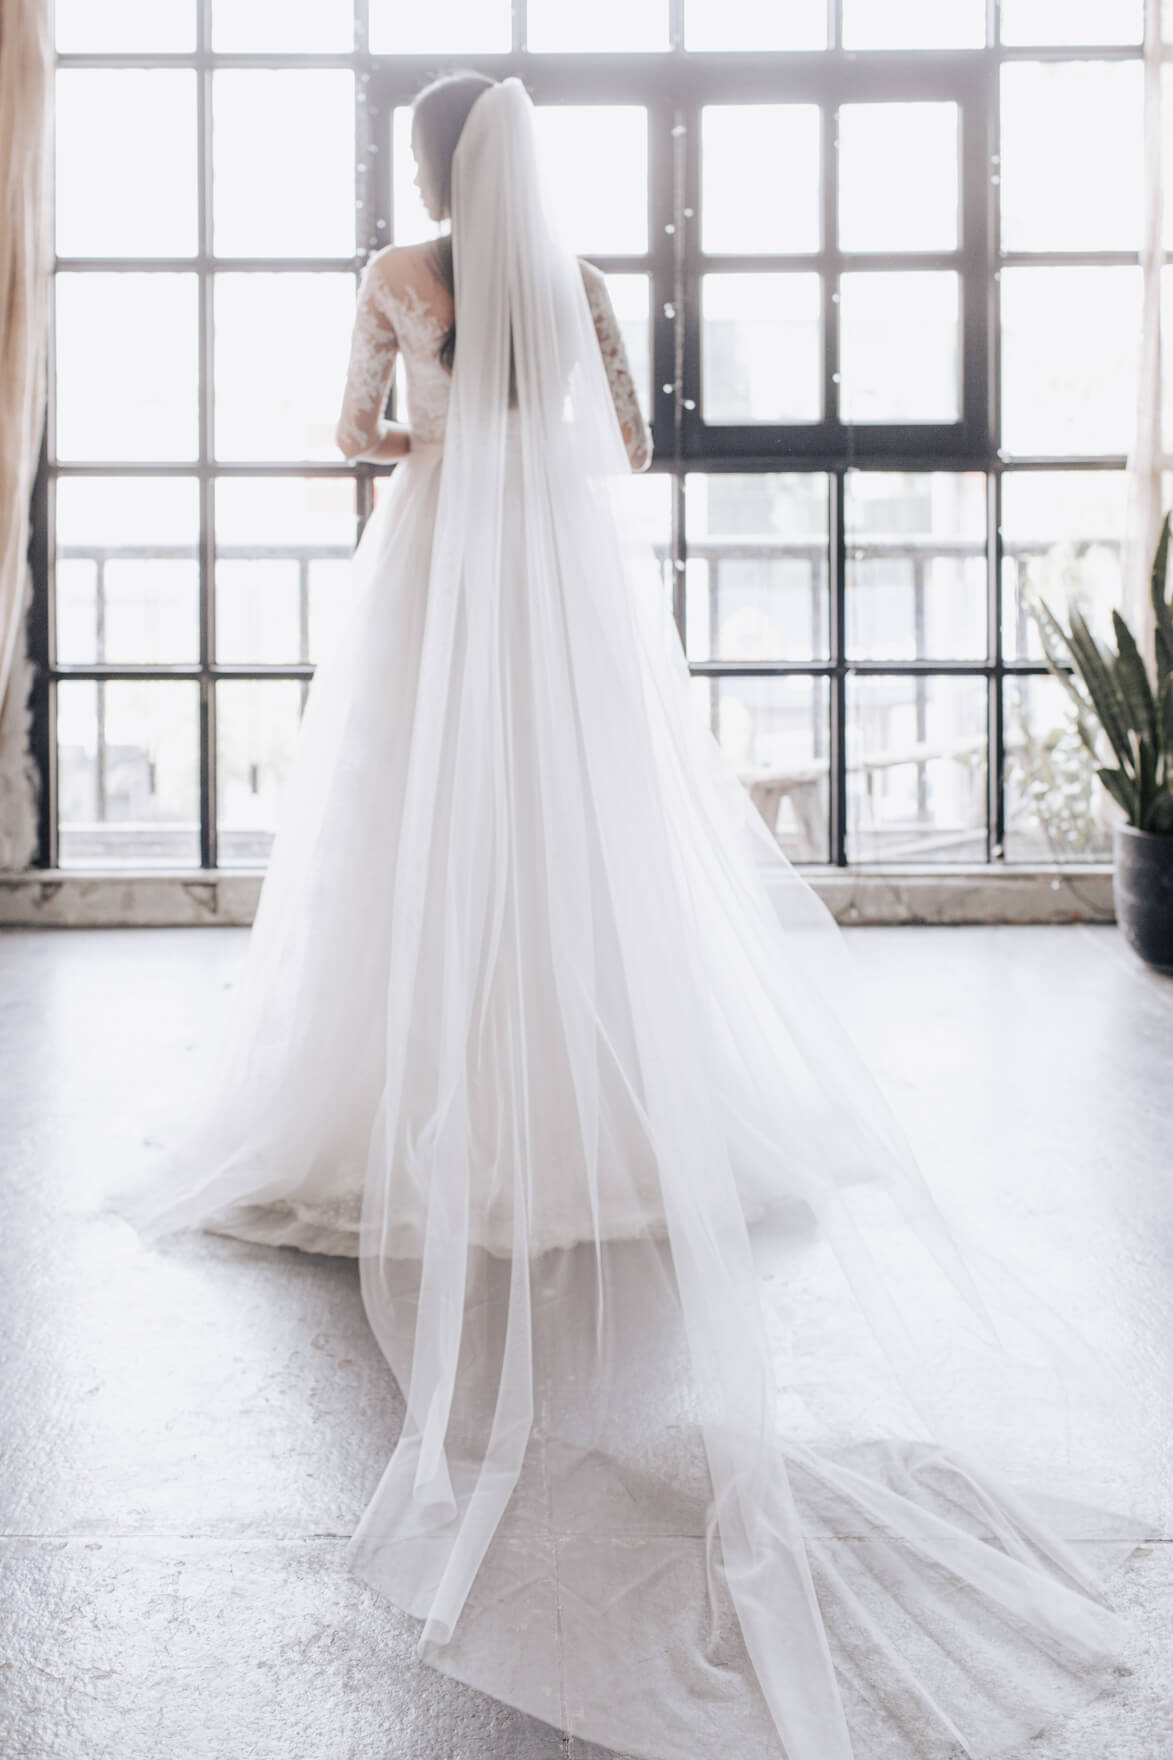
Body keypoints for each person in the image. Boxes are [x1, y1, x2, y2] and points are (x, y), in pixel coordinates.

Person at [105, 73, 1147, 1760]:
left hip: (439, 585)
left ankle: (408, 1092)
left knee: (408, 843)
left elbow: (350, 436)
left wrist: (427, 435)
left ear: (432, 162)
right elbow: (632, 444)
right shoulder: (575, 279)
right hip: (554, 604)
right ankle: (586, 1095)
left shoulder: (401, 269)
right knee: (572, 840)